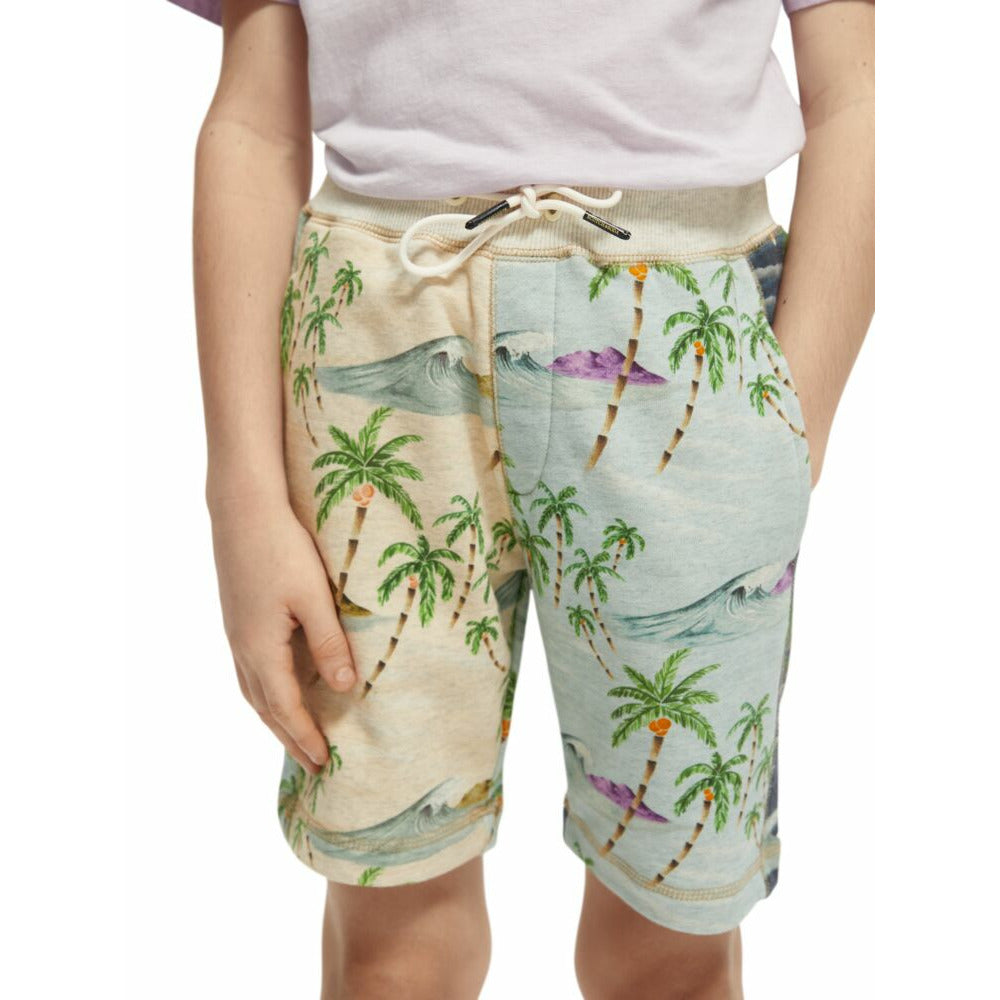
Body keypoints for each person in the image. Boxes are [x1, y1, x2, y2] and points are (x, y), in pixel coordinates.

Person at [171, 0, 874, 995]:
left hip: (687, 326)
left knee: (670, 944)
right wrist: (240, 493)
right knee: (394, 940)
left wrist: (796, 412)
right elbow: (253, 124)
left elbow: (854, 94)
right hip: (383, 319)